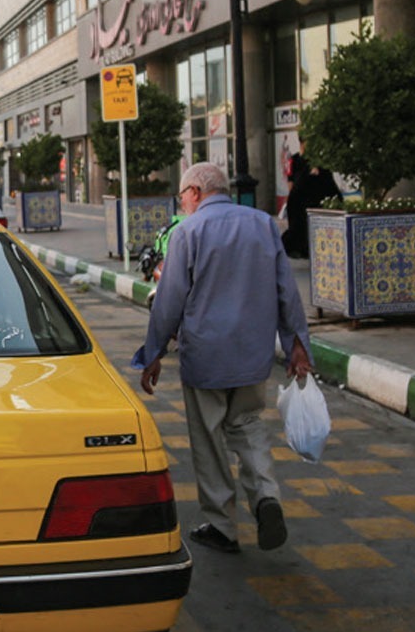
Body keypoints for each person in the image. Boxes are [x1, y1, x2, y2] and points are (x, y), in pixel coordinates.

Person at [133, 162, 314, 554]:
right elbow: (288, 290)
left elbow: (169, 301)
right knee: (248, 426)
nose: (182, 204)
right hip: (252, 355)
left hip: (206, 357)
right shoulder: (264, 224)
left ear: (195, 191)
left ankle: (222, 526)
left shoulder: (189, 232)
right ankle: (266, 497)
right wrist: (297, 343)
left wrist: (153, 353)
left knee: (208, 437)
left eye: (182, 197)